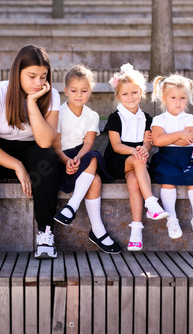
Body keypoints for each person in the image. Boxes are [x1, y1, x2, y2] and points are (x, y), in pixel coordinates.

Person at [0, 45, 60, 265]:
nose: (38, 83)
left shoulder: (51, 94)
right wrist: (16, 165)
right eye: (32, 76)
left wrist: (32, 102)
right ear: (17, 73)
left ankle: (45, 234)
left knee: (47, 160)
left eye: (43, 77)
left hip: (32, 147)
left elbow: (45, 141)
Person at [52, 64, 121, 254]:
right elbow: (55, 145)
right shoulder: (58, 113)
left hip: (82, 155)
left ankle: (72, 207)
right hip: (61, 158)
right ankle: (98, 231)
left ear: (90, 91)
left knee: (93, 157)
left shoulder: (92, 115)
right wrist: (67, 160)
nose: (78, 95)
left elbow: (88, 144)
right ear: (65, 91)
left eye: (84, 90)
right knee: (95, 179)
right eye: (74, 90)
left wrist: (77, 158)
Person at [103, 63, 169, 251]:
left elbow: (148, 141)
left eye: (134, 93)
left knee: (133, 182)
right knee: (139, 159)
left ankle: (136, 231)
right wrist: (136, 151)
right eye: (125, 94)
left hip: (137, 161)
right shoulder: (115, 118)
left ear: (141, 93)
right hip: (117, 160)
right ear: (118, 96)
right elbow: (116, 146)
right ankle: (151, 202)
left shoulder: (147, 118)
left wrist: (145, 149)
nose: (130, 97)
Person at [149, 73, 193, 239]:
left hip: (185, 158)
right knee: (167, 181)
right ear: (164, 98)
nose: (178, 102)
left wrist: (171, 138)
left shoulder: (191, 118)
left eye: (182, 98)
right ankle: (172, 219)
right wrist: (180, 134)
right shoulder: (159, 119)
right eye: (173, 97)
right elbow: (158, 141)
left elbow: (188, 140)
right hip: (166, 158)